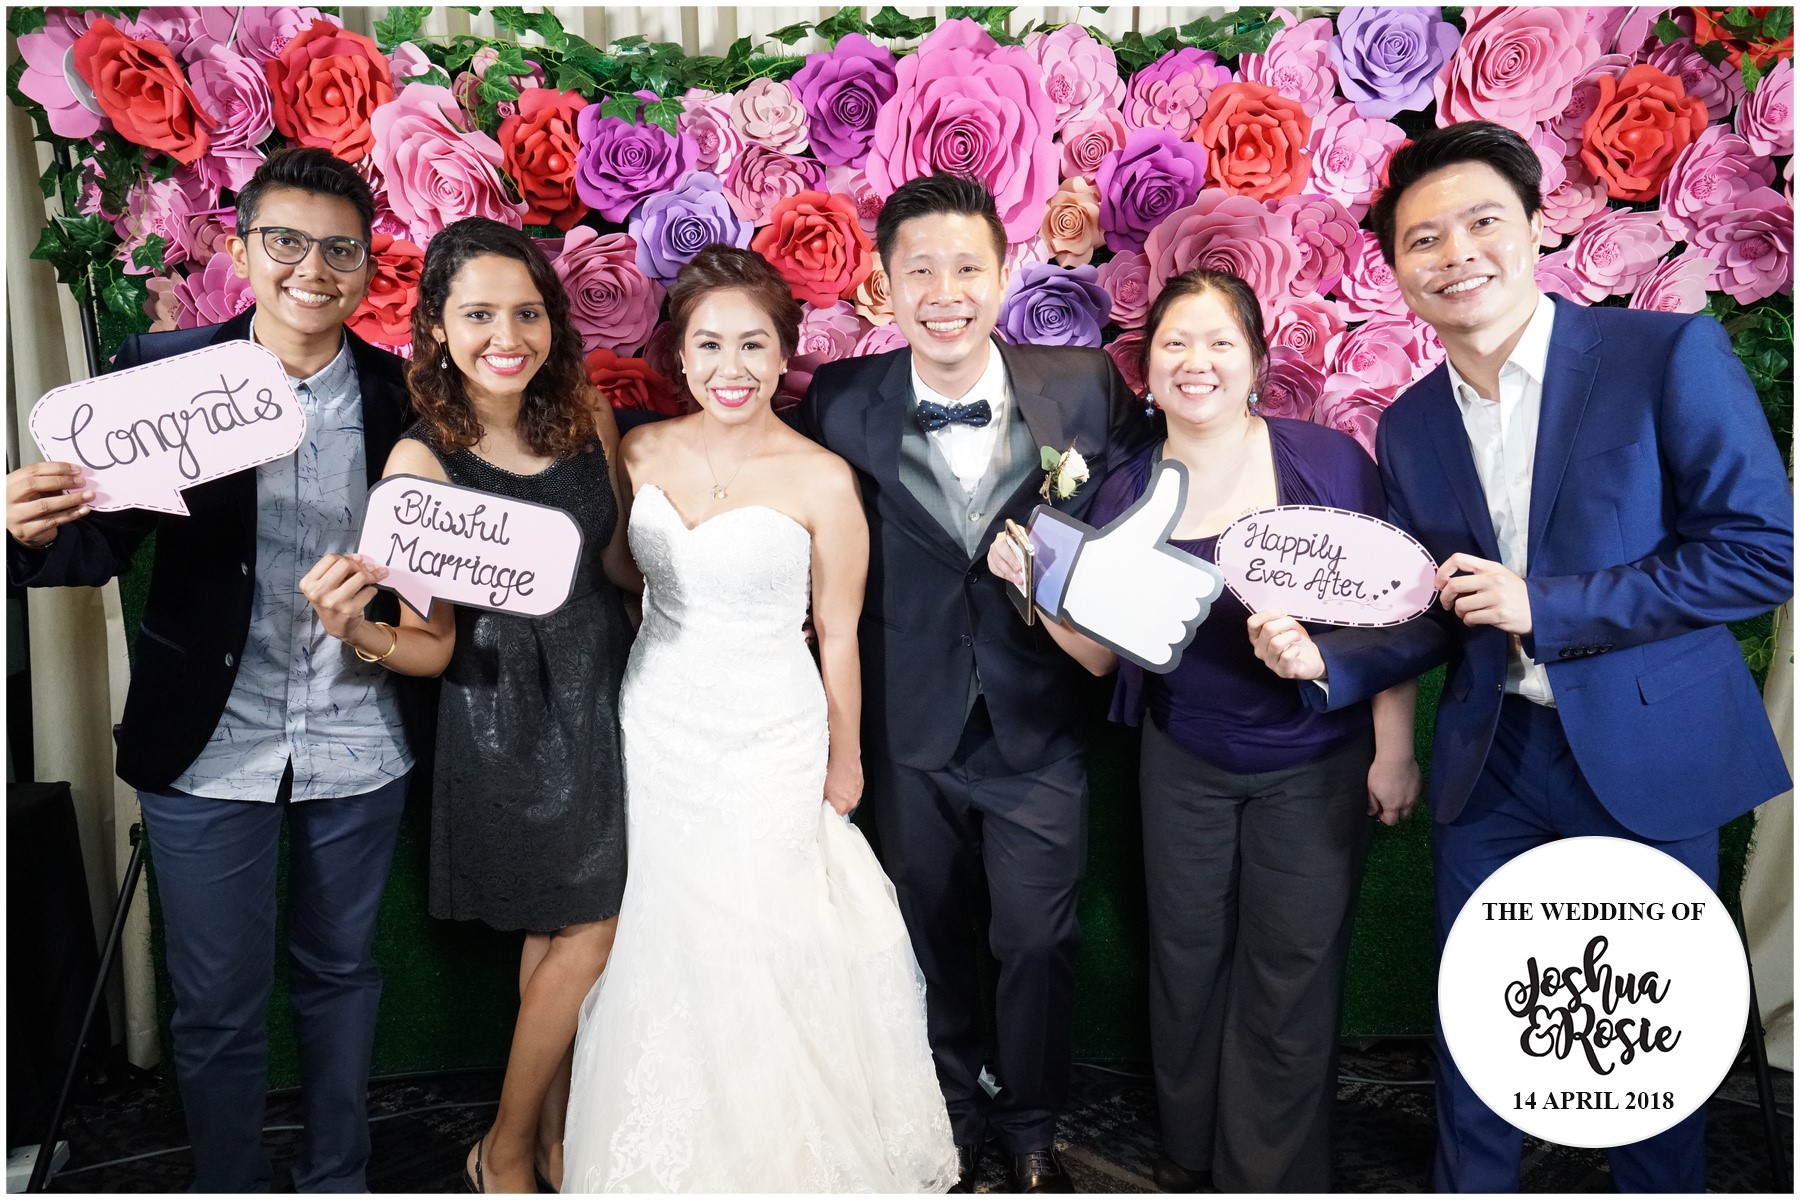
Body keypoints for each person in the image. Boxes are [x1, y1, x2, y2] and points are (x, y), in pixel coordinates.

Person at [1248, 121, 1794, 1192]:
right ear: (1396, 270)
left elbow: (1760, 554)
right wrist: (1326, 664)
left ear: (1539, 228)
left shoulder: (1662, 356)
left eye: (1482, 222)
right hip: (1493, 758)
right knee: (1482, 1022)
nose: (1456, 253)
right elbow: (1434, 610)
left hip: (1645, 751)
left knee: (1646, 1043)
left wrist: (1544, 604)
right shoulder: (1410, 424)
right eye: (1424, 238)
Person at [5, 148, 424, 1191]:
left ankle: (338, 1177)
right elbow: (95, 545)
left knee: (342, 975)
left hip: (360, 733)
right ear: (240, 251)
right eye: (285, 241)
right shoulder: (164, 377)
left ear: (367, 266)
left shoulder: (407, 393)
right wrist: (26, 531)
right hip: (207, 738)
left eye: (339, 249)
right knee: (217, 1004)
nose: (311, 268)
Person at [987, 267, 1421, 1192]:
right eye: (1175, 343)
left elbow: (1392, 615)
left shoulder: (1328, 463)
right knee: (1184, 961)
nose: (1198, 361)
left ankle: (1270, 1174)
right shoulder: (1128, 489)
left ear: (1256, 362)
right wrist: (1034, 589)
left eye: (1221, 342)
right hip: (1182, 759)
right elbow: (1099, 658)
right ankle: (1191, 1154)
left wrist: (1394, 749)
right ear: (1146, 369)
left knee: (1292, 968)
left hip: (1315, 760)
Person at [559, 244, 958, 1192]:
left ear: (785, 355)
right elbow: (622, 572)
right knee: (664, 932)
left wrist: (845, 760)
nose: (730, 367)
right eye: (709, 345)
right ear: (679, 355)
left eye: (752, 345)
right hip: (658, 724)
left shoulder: (822, 479)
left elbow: (840, 634)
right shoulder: (641, 451)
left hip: (774, 734)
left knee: (766, 934)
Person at [798, 173, 1151, 1192]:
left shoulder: (1082, 386)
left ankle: (1031, 1116)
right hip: (907, 721)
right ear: (884, 285)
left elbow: (1140, 519)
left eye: (966, 268)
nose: (944, 293)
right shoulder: (840, 402)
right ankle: (947, 1105)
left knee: (1038, 938)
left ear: (1004, 276)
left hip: (1037, 720)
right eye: (920, 271)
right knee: (925, 934)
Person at [298, 218, 636, 1194]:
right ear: (438, 329)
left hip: (610, 691)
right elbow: (433, 642)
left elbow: (619, 565)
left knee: (560, 933)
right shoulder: (422, 464)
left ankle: (558, 1140)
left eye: (527, 312)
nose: (507, 336)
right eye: (480, 314)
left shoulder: (586, 410)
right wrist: (355, 631)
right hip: (508, 717)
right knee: (591, 929)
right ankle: (506, 1146)